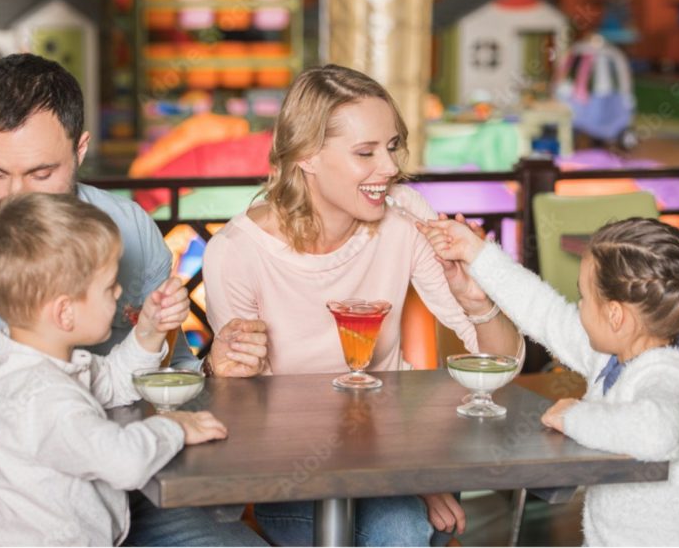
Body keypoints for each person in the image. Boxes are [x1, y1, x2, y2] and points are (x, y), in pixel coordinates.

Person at [0, 54, 268, 547]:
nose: (16, 197)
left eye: (41, 172)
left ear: (80, 148)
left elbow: (141, 377)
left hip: (116, 489)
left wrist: (208, 369)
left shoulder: (128, 229)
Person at [201, 64, 523, 546]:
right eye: (365, 152)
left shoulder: (406, 216)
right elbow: (249, 414)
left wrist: (475, 299)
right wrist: (413, 479)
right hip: (290, 473)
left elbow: (502, 365)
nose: (390, 167)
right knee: (405, 528)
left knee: (403, 528)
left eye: (391, 146)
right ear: (306, 155)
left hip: (389, 458)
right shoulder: (236, 253)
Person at [423, 216, 679, 545]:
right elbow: (544, 312)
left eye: (584, 298)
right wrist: (477, 252)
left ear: (615, 315)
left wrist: (573, 415)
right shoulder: (614, 354)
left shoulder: (669, 373)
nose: (578, 308)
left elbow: (657, 431)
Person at [0, 192, 227, 546]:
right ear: (64, 312)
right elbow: (123, 462)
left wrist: (148, 330)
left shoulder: (20, 362)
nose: (119, 292)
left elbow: (114, 381)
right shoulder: (43, 396)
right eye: (108, 287)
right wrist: (172, 428)